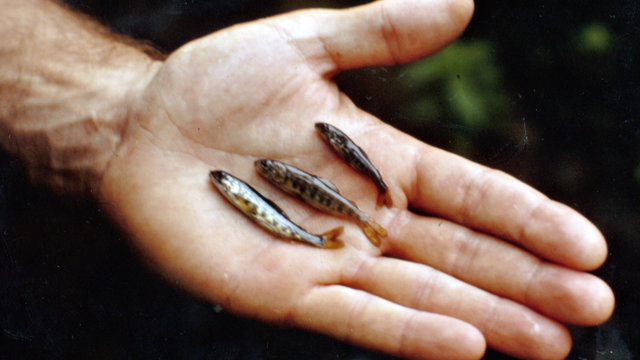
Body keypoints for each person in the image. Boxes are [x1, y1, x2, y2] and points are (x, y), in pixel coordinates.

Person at [0, 0, 615, 359]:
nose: (238, 182)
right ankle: (328, 234)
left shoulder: (276, 173)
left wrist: (122, 107)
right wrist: (126, 114)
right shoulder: (251, 179)